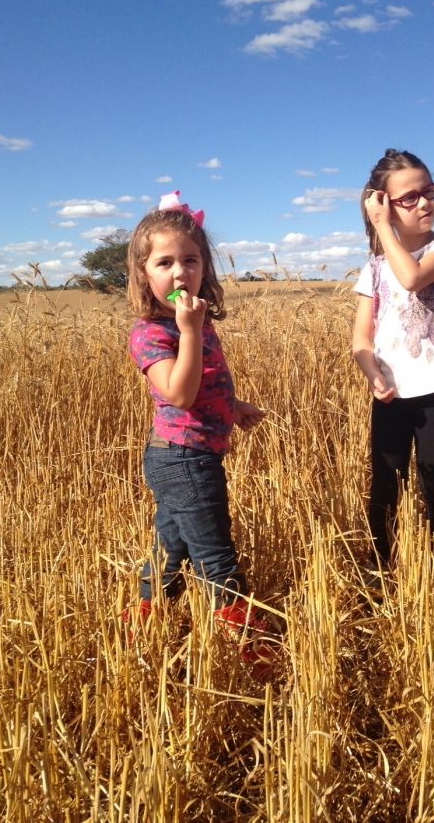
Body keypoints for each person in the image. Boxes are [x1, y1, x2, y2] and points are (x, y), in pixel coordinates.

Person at [126, 190, 272, 672]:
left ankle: (142, 621)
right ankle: (255, 649)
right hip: (181, 457)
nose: (179, 271)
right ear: (144, 273)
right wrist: (189, 331)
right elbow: (179, 395)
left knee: (172, 549)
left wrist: (232, 407)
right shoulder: (152, 331)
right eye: (164, 261)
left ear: (205, 267)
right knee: (216, 554)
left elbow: (204, 386)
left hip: (192, 453)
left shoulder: (197, 320)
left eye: (190, 260)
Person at [352, 150, 434, 572]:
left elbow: (410, 276)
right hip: (391, 390)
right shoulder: (372, 269)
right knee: (385, 481)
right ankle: (379, 570)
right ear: (384, 202)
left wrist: (381, 226)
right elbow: (360, 339)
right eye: (410, 197)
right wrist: (372, 373)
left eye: (429, 192)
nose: (425, 202)